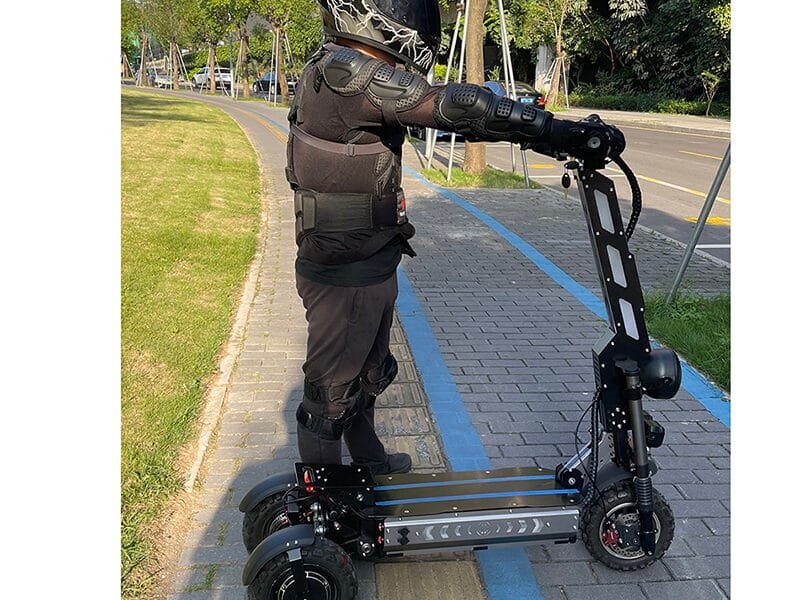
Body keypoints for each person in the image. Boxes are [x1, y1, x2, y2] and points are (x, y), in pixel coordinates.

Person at [287, 0, 624, 475]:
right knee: (330, 393)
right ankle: (325, 507)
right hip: (346, 269)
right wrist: (558, 129)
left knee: (365, 373)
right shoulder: (350, 73)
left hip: (364, 256)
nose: (413, 19)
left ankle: (369, 465)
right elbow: (452, 105)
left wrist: (540, 139)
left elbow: (451, 120)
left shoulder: (334, 67)